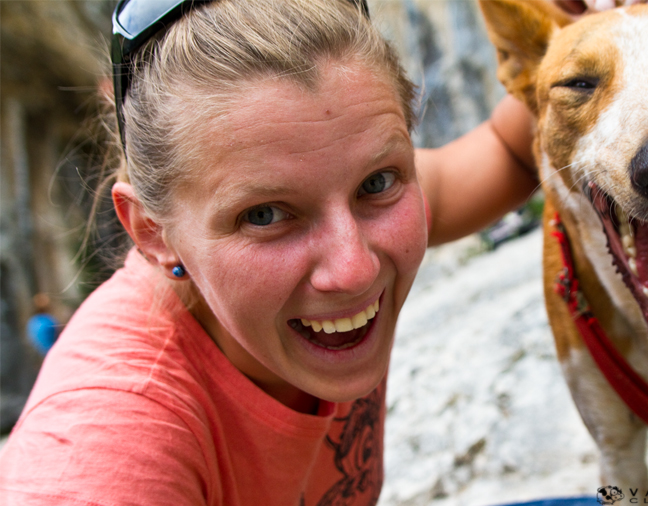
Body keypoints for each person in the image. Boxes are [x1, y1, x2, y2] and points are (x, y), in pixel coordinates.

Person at [0, 0, 538, 504]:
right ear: (153, 233)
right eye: (264, 216)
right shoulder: (111, 446)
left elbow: (511, 149)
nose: (355, 270)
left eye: (375, 183)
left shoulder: (353, 203)